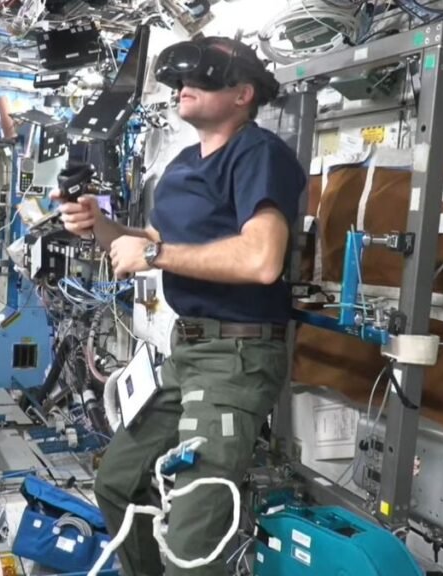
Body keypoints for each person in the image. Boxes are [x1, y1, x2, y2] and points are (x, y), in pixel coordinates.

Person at [53, 37, 306, 576]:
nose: (183, 89)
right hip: (186, 352)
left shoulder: (257, 153)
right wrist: (97, 224)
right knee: (118, 482)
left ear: (242, 94)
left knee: (194, 544)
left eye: (203, 81)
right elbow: (153, 240)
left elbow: (263, 259)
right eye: (180, 83)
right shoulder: (183, 164)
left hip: (235, 358)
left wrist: (152, 251)